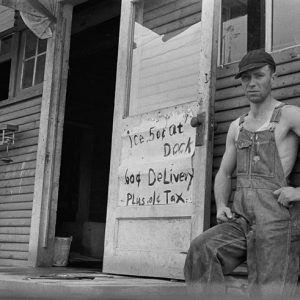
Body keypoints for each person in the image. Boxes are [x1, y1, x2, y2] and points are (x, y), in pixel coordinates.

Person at [184, 49, 300, 298]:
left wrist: (298, 192)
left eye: (259, 75)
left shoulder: (289, 115)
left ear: (274, 77)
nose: (252, 83)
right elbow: (225, 173)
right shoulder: (237, 126)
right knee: (201, 249)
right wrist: (221, 205)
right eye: (246, 78)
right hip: (242, 221)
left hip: (277, 221)